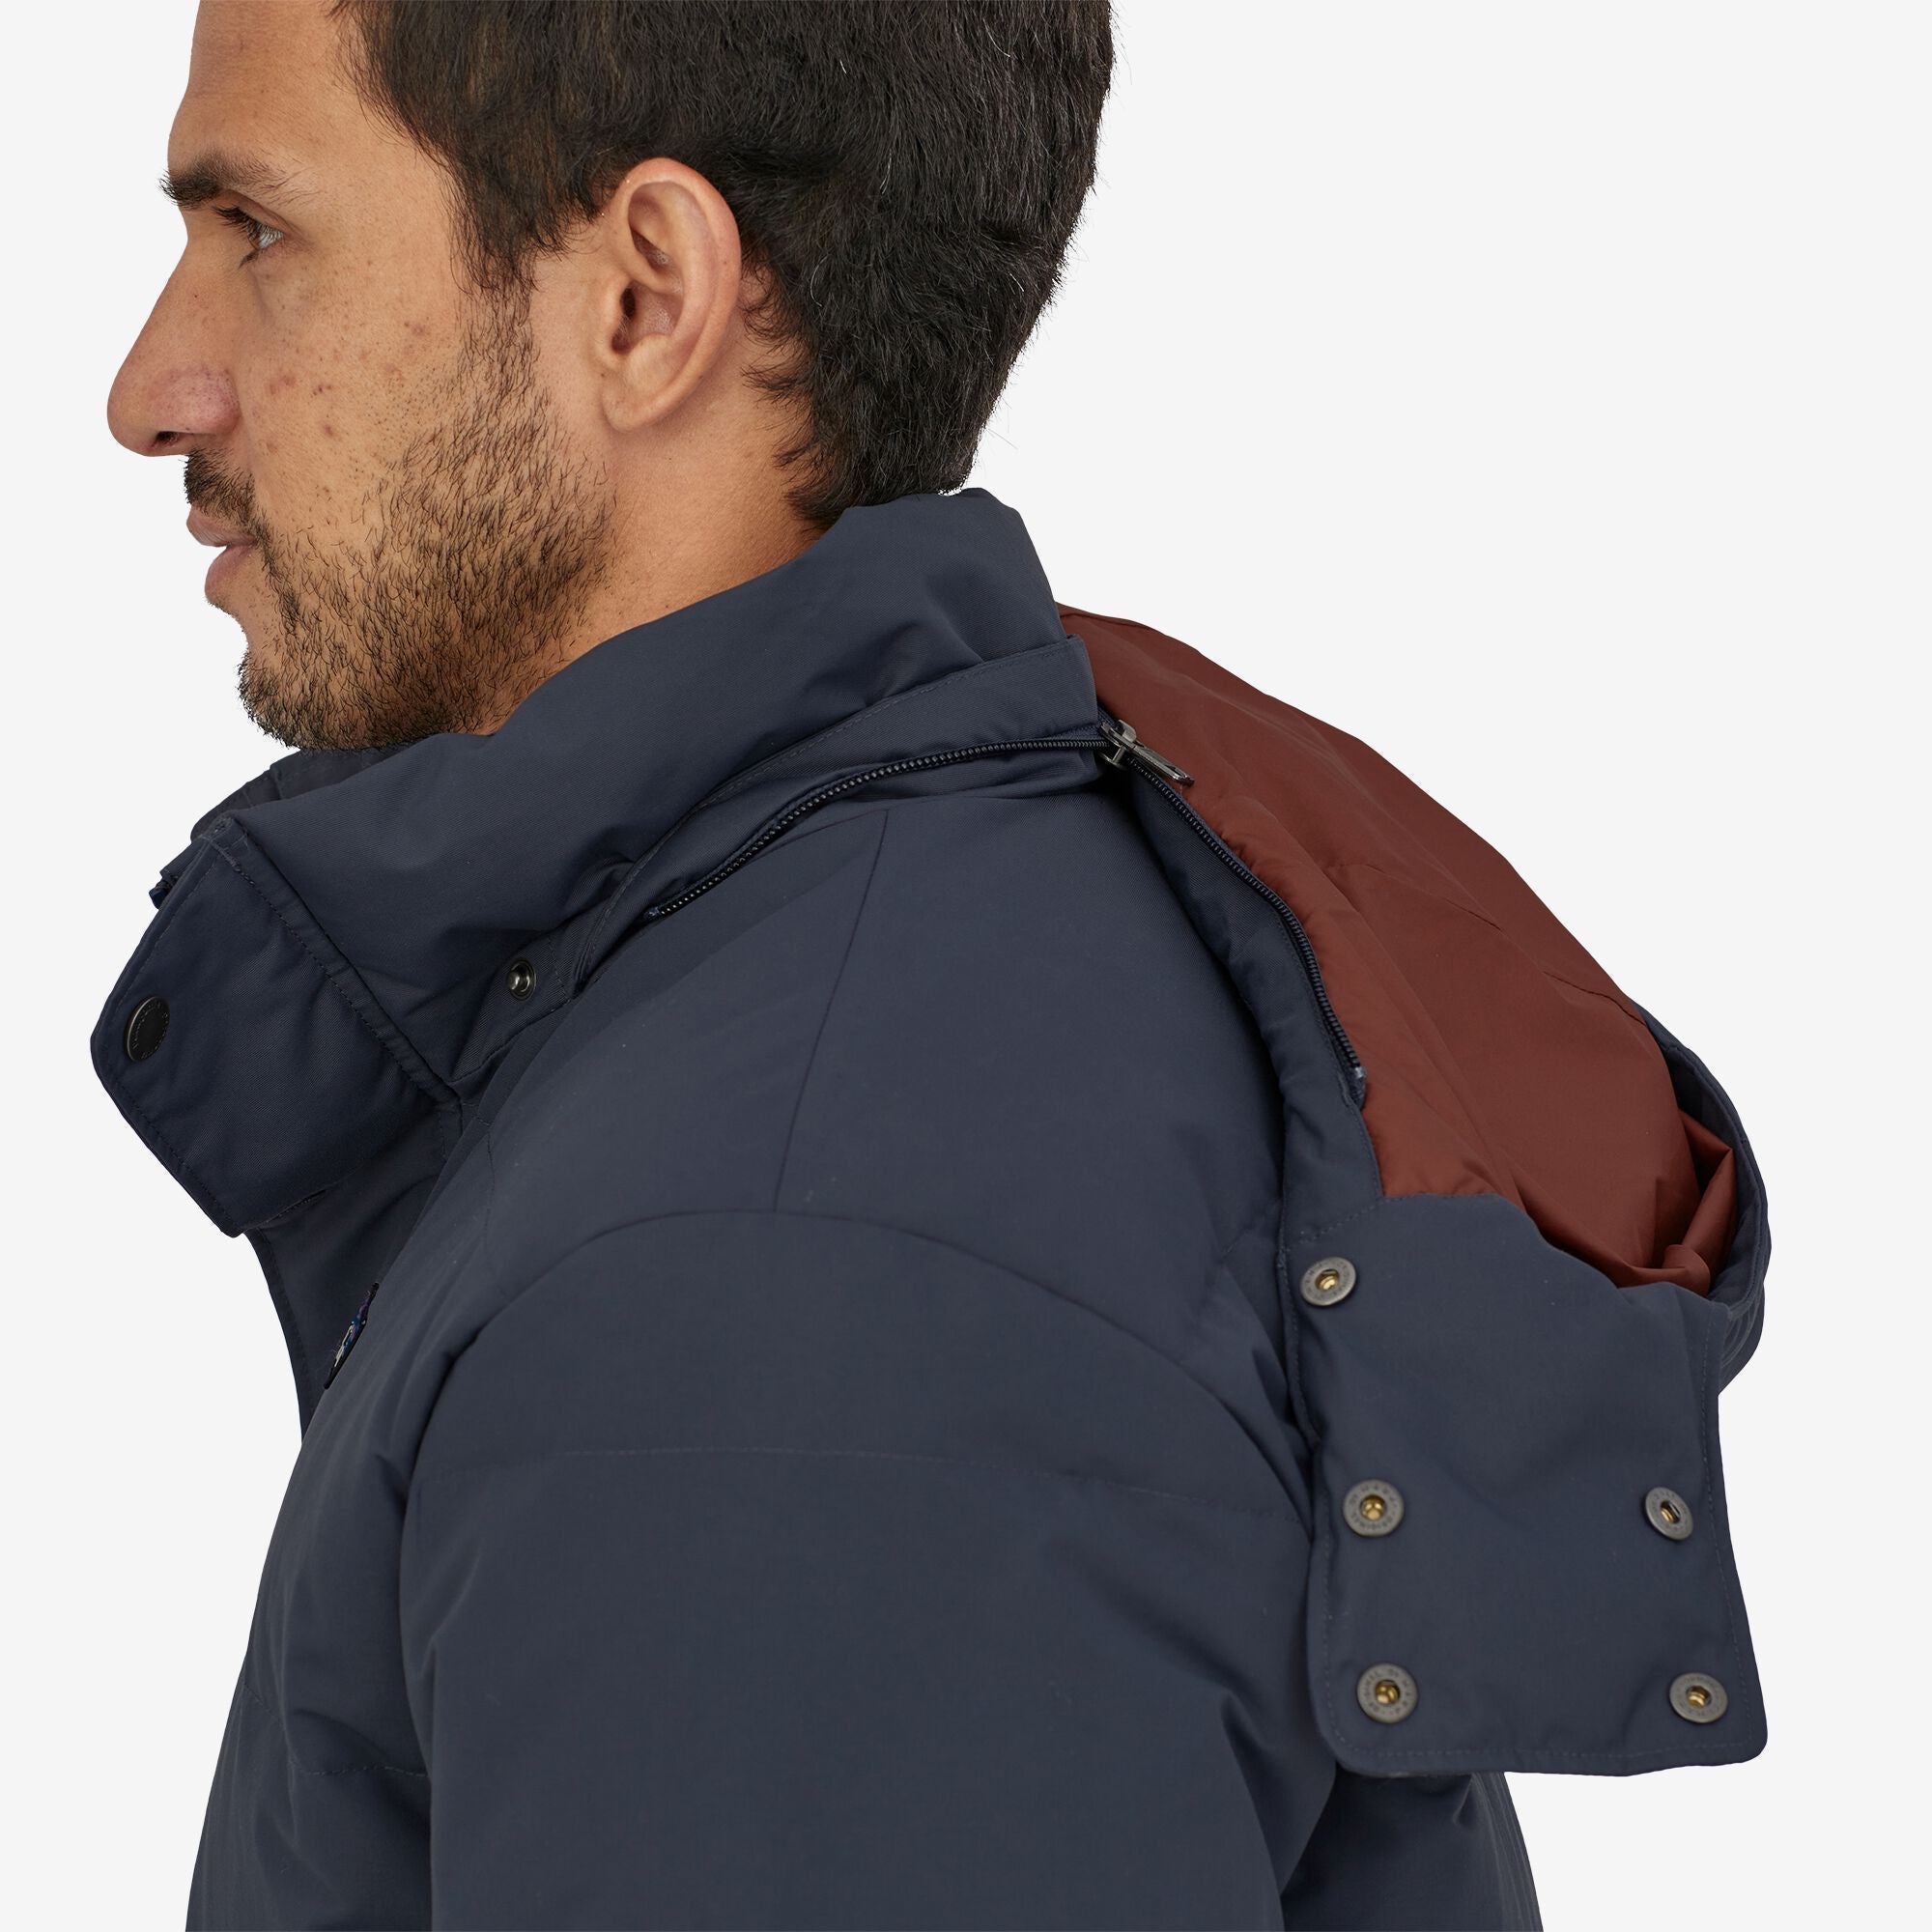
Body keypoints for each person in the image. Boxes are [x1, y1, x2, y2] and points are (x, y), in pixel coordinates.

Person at [94, 5, 1767, 1928]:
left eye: (257, 230)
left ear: (644, 298)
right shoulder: (867, 1011)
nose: (151, 389)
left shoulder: (780, 1288)